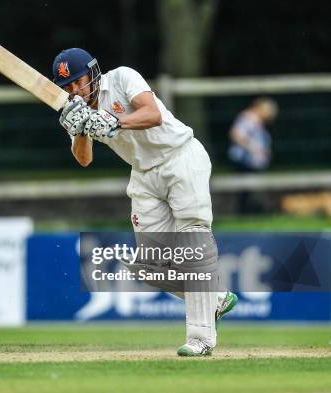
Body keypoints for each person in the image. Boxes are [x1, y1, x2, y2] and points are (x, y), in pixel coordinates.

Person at [53, 48, 238, 356]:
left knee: (194, 237)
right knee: (149, 267)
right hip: (143, 174)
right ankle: (215, 299)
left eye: (78, 81)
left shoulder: (123, 78)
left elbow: (151, 114)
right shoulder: (78, 108)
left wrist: (112, 122)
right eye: (67, 86)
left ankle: (201, 339)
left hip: (180, 157)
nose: (74, 90)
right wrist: (81, 129)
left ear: (93, 72)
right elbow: (83, 159)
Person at [228, 97, 278, 214]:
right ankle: (245, 213)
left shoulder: (256, 121)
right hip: (244, 160)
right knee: (246, 190)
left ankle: (250, 212)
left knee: (251, 189)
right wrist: (253, 148)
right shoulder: (248, 119)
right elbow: (236, 134)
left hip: (251, 161)